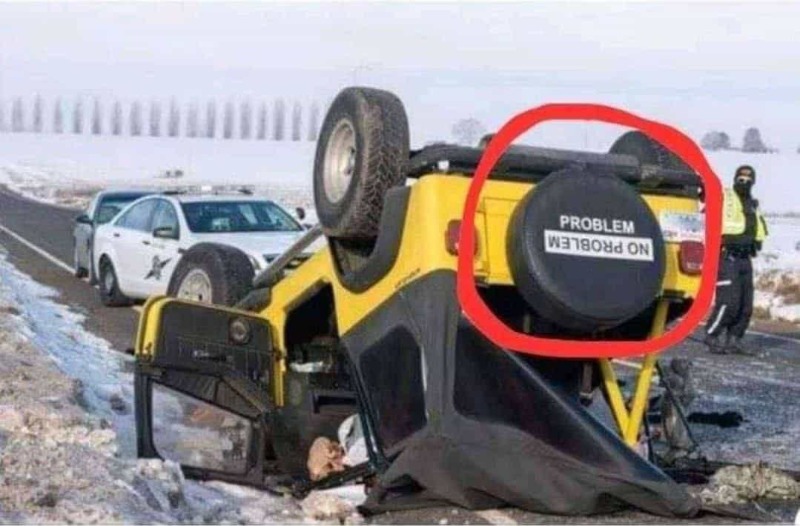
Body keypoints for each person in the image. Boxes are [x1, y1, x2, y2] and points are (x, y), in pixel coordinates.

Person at [704, 165, 768, 355]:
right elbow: (709, 202)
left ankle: (734, 339)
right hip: (727, 256)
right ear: (735, 179)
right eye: (741, 179)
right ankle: (712, 335)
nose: (744, 183)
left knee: (746, 305)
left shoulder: (752, 203)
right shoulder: (726, 197)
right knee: (729, 302)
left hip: (745, 257)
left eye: (748, 180)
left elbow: (758, 227)